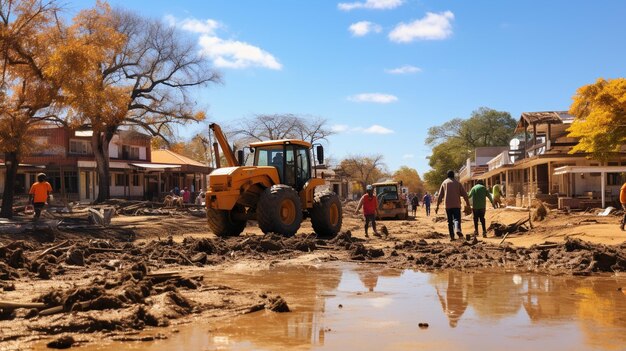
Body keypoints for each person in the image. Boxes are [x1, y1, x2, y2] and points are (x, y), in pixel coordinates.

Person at [435, 170, 472, 241]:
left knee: (450, 221)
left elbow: (440, 196)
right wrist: (468, 205)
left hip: (447, 205)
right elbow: (465, 195)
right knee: (457, 219)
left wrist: (437, 206)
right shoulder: (458, 183)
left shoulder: (444, 183)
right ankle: (458, 229)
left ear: (447, 176)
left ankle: (452, 237)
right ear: (454, 176)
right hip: (456, 205)